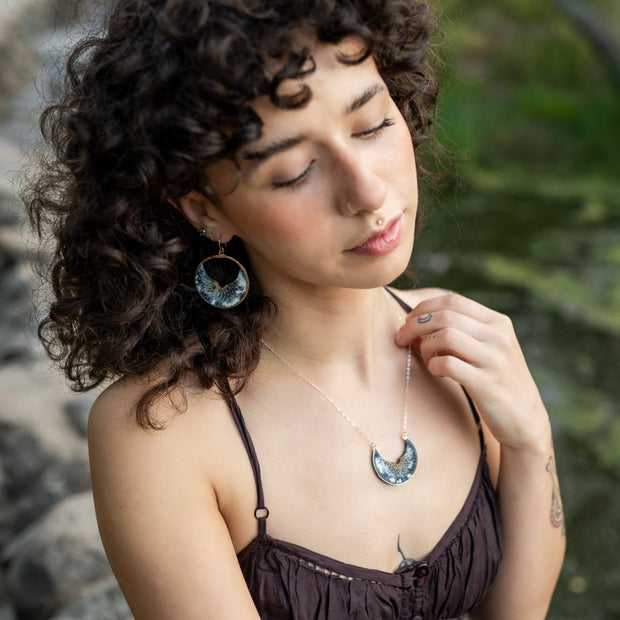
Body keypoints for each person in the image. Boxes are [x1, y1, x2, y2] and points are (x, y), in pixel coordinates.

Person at [26, 0, 566, 618]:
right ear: (205, 209)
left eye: (370, 126)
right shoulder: (161, 433)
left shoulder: (465, 345)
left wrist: (529, 441)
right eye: (294, 171)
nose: (367, 191)